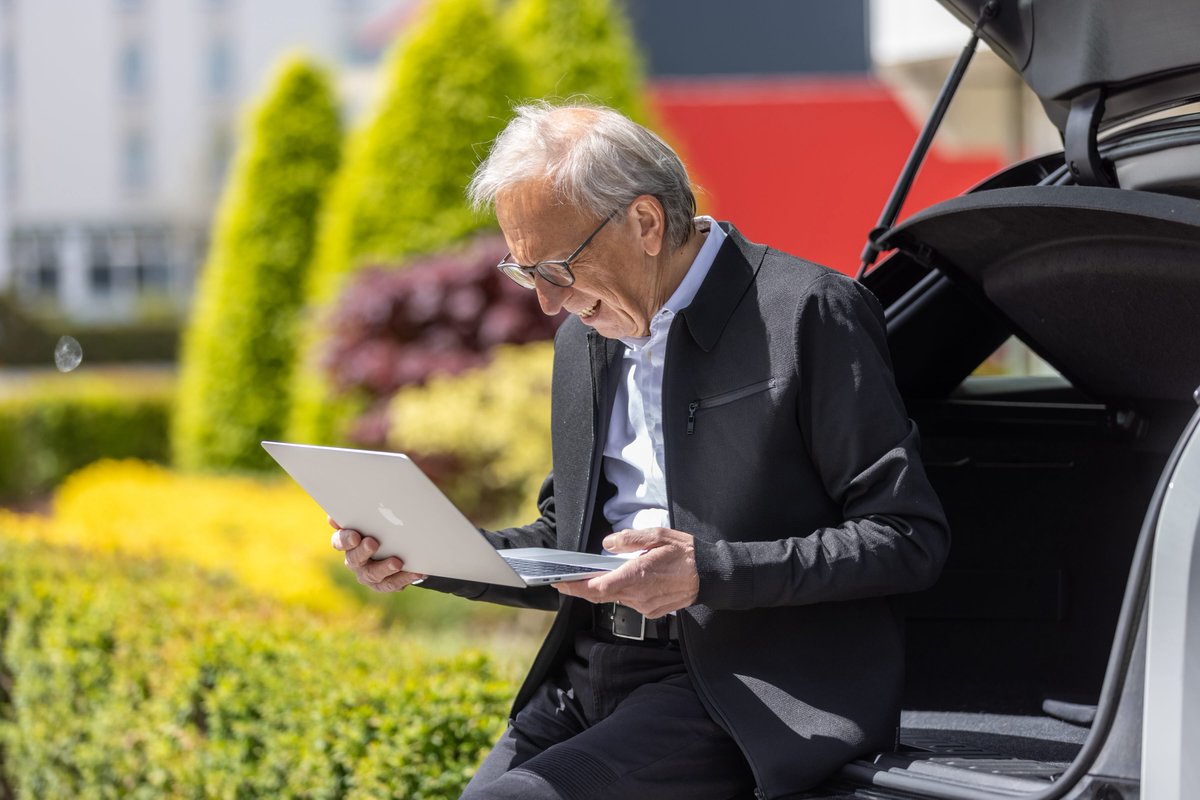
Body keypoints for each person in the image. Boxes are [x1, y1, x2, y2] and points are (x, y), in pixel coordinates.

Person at [330, 102, 950, 800]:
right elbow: (561, 540)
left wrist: (706, 572)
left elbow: (906, 539)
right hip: (589, 670)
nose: (545, 303)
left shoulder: (810, 311)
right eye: (524, 270)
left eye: (557, 268)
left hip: (741, 693)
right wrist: (422, 556)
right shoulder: (582, 338)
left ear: (646, 223)